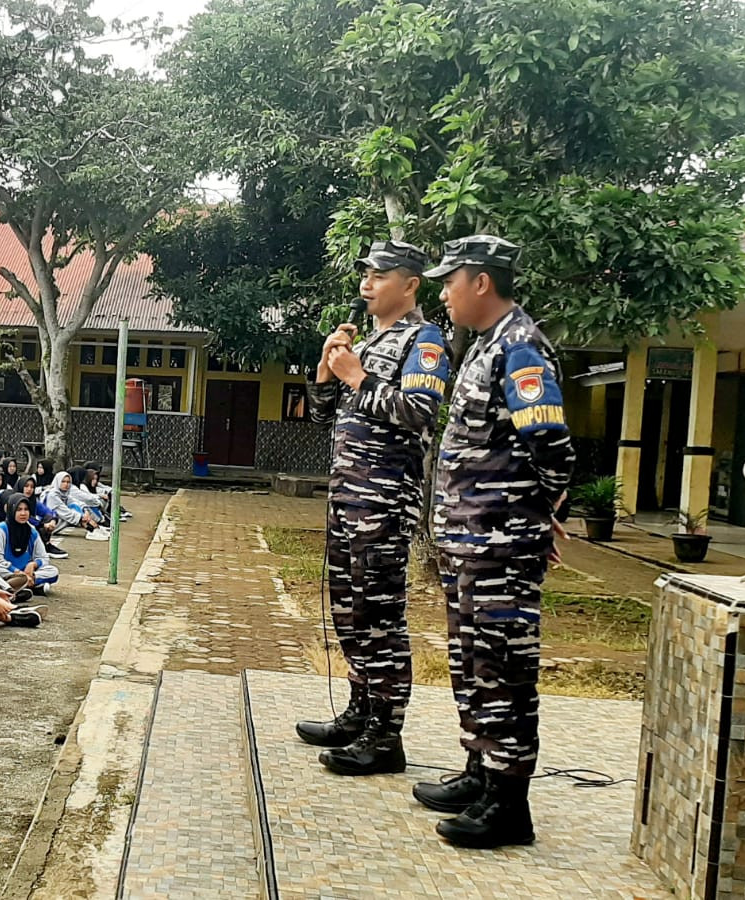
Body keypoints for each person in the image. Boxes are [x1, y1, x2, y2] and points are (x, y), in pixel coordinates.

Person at [418, 235, 574, 849]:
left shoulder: (520, 347)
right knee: (472, 661)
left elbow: (551, 445)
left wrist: (540, 513)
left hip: (500, 544)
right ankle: (480, 771)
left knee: (503, 666)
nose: (444, 292)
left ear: (481, 281)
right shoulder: (486, 344)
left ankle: (509, 804)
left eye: (449, 280)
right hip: (470, 542)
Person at [294, 239, 447, 778]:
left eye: (380, 275)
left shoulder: (424, 341)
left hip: (384, 501)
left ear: (410, 284)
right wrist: (326, 368)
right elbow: (322, 418)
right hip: (347, 498)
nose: (367, 283)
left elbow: (419, 411)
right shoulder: (371, 341)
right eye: (365, 273)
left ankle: (386, 734)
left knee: (381, 615)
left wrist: (358, 376)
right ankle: (359, 712)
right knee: (350, 609)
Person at [0, 493, 61, 594]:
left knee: (53, 571)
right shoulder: (1, 530)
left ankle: (18, 585)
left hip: (28, 572)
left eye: (26, 509)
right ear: (11, 510)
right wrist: (18, 572)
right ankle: (27, 585)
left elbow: (44, 557)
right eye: (19, 510)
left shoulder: (31, 531)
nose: (23, 513)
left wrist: (34, 564)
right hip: (9, 571)